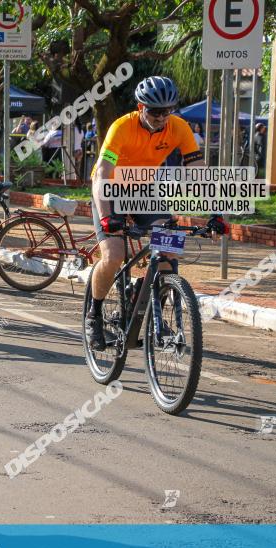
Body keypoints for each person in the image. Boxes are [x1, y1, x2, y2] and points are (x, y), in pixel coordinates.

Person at [86, 75, 227, 351]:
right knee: (114, 255)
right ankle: (95, 313)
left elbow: (197, 171)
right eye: (155, 111)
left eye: (167, 111)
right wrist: (107, 217)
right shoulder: (121, 127)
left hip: (144, 191)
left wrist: (217, 212)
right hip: (109, 190)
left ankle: (150, 307)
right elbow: (102, 173)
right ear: (141, 107)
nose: (162, 117)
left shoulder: (178, 127)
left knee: (169, 250)